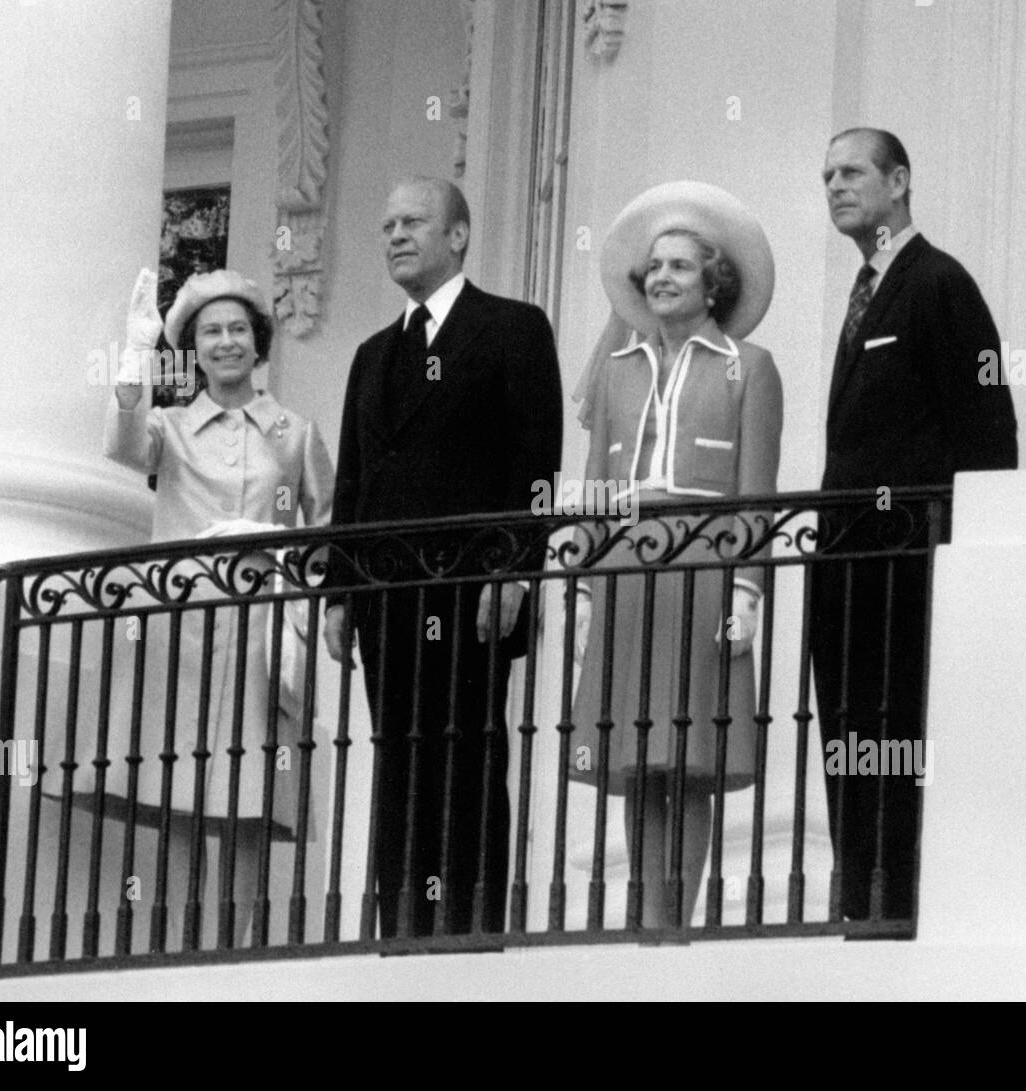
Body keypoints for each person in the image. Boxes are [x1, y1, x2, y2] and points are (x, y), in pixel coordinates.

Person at [323, 176, 563, 938]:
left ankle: (468, 927)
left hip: (470, 591)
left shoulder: (513, 328)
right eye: (387, 223)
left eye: (414, 222)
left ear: (458, 235)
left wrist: (518, 568)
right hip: (386, 599)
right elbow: (352, 484)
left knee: (466, 752)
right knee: (398, 758)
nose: (396, 234)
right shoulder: (371, 355)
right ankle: (401, 928)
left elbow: (536, 463)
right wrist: (337, 592)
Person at [96, 267, 334, 949]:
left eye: (237, 329)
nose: (226, 342)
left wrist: (297, 573)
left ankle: (235, 959)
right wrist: (137, 355)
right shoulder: (169, 427)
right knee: (177, 794)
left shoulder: (293, 431)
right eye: (210, 332)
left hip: (259, 629)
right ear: (193, 349)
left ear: (257, 342)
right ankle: (177, 956)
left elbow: (329, 533)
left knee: (249, 799)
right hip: (181, 626)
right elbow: (119, 444)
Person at [814, 128, 1018, 920]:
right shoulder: (864, 290)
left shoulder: (938, 282)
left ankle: (897, 902)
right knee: (850, 733)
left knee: (902, 731)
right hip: (849, 564)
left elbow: (986, 428)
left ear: (899, 181)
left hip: (912, 564)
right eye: (827, 175)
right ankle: (860, 898)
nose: (835, 185)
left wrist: (962, 550)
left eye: (852, 171)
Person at [569, 181, 783, 928]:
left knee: (690, 759)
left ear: (713, 281)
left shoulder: (749, 366)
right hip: (628, 575)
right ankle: (643, 921)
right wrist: (587, 593)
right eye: (653, 267)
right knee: (633, 758)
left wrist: (749, 590)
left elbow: (757, 490)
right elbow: (598, 489)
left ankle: (676, 921)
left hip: (706, 570)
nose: (661, 277)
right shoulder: (621, 369)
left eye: (680, 267)